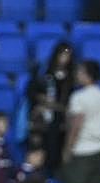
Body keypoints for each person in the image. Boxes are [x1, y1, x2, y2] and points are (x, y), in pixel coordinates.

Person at [27, 42, 74, 171]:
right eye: (62, 54)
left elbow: (70, 103)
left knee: (55, 156)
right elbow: (31, 93)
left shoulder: (71, 79)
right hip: (41, 124)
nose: (64, 58)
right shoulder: (43, 75)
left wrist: (56, 107)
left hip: (59, 125)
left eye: (67, 55)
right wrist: (41, 100)